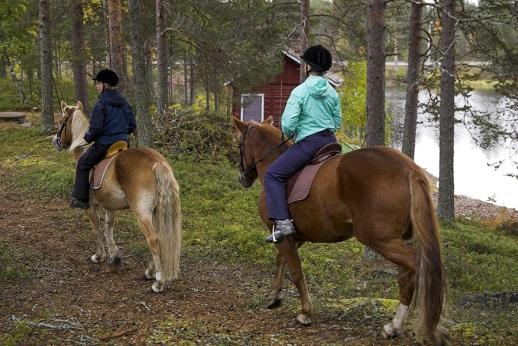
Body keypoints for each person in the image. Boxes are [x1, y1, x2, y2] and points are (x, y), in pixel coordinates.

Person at [264, 44, 342, 243]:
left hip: (309, 144)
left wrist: (292, 133)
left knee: (273, 175)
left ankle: (283, 223)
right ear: (324, 68)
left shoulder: (300, 91)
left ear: (308, 66)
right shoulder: (333, 92)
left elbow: (288, 124)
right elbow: (337, 122)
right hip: (330, 142)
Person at [70, 68, 136, 209]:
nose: (96, 86)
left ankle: (81, 200)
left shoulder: (101, 104)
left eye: (98, 83)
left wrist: (87, 138)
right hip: (123, 142)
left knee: (82, 163)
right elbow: (132, 125)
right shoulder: (124, 103)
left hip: (105, 143)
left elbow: (96, 129)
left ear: (106, 85)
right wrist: (121, 132)